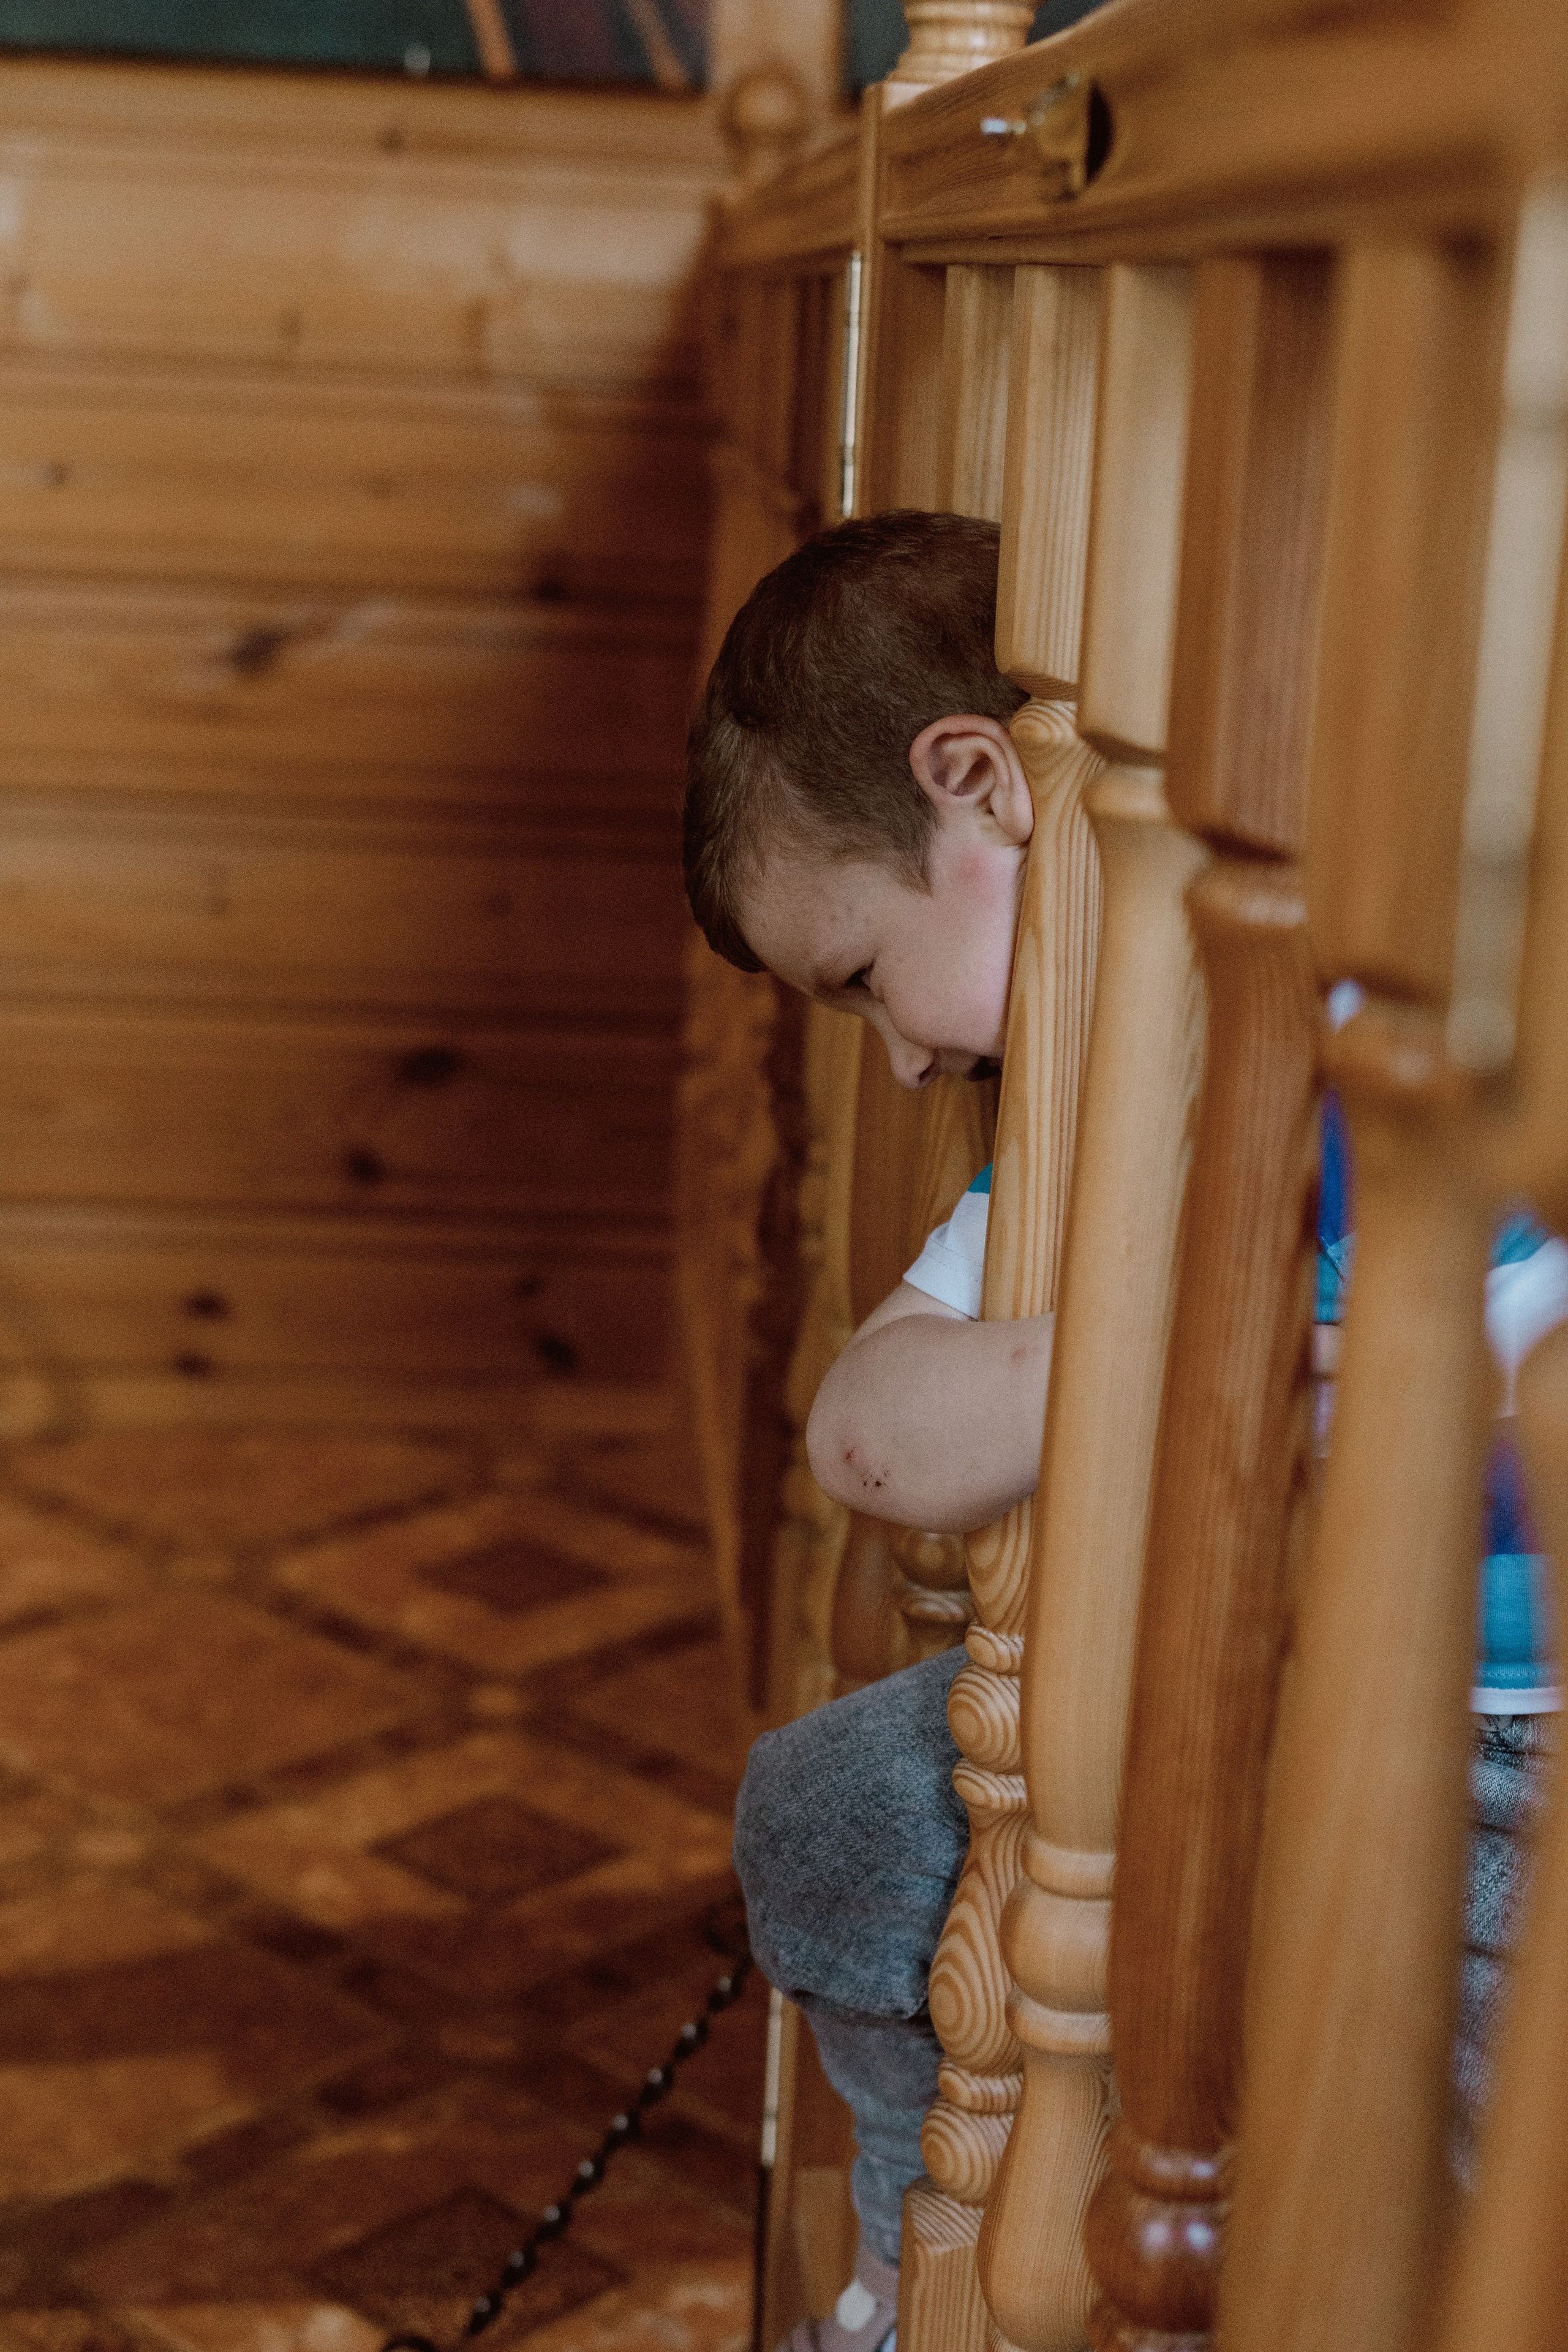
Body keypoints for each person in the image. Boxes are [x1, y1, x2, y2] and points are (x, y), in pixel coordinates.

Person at [682, 510, 1567, 2352]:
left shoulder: (1406, 1002)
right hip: (1237, 1709)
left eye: (856, 974)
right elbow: (871, 1431)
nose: (903, 1059)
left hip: (1511, 1748)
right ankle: (896, 2261)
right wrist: (1176, 1354)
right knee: (832, 1805)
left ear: (984, 790)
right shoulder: (1107, 1102)